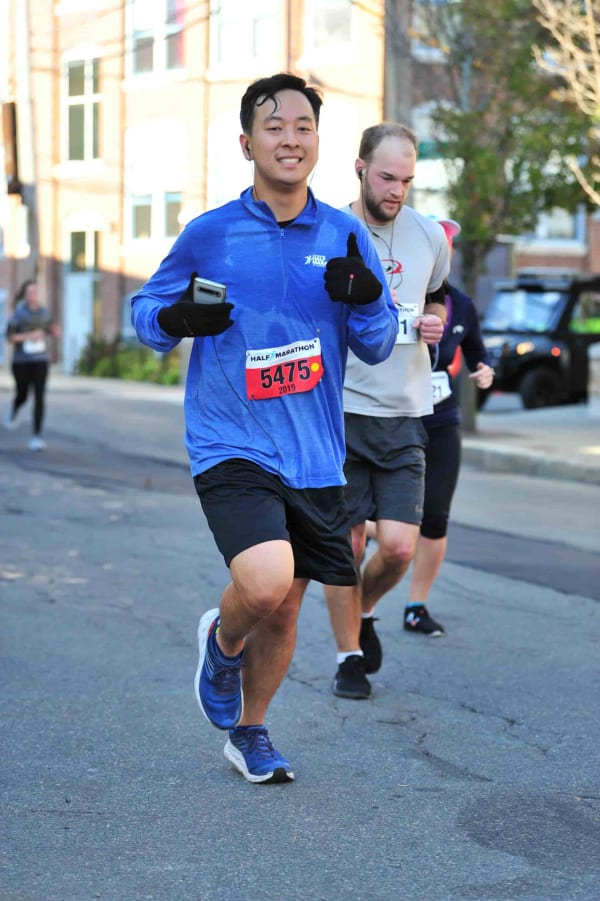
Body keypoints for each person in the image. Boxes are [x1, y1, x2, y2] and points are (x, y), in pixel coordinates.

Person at [130, 73, 398, 784]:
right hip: (231, 440)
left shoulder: (345, 234)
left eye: (303, 125)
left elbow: (377, 341)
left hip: (314, 452)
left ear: (317, 142)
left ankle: (250, 731)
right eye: (274, 126)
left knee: (283, 609)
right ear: (248, 142)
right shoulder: (210, 233)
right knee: (266, 577)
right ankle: (221, 646)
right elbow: (145, 315)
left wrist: (369, 301)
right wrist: (176, 318)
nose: (290, 137)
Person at [323, 122, 450, 700]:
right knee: (346, 545)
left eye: (406, 180)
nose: (397, 190)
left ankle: (365, 609)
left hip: (404, 412)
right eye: (386, 177)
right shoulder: (329, 230)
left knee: (398, 546)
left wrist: (436, 321)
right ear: (360, 168)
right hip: (342, 410)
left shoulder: (429, 235)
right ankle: (349, 655)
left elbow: (437, 296)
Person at [403, 218, 494, 633]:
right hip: (397, 418)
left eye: (449, 246)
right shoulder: (397, 293)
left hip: (441, 419)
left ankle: (415, 606)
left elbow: (478, 352)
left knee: (435, 516)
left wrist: (484, 371)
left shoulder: (462, 304)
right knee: (386, 524)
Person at [4, 279, 60, 451]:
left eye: (36, 292)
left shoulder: (44, 313)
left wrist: (55, 331)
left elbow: (51, 329)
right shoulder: (19, 314)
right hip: (21, 362)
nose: (33, 295)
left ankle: (37, 437)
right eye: (30, 292)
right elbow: (10, 337)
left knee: (39, 396)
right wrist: (30, 336)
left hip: (40, 360)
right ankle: (14, 409)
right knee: (23, 394)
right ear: (25, 295)